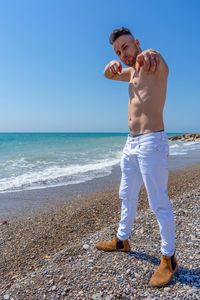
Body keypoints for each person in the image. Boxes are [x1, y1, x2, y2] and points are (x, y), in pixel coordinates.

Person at [96, 27, 177, 287]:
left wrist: (153, 53)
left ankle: (169, 259)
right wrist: (109, 67)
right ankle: (122, 240)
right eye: (118, 51)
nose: (123, 54)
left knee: (158, 203)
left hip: (152, 141)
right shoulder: (130, 73)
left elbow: (159, 60)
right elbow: (109, 75)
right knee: (126, 194)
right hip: (131, 143)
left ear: (137, 43)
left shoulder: (154, 64)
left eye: (126, 48)